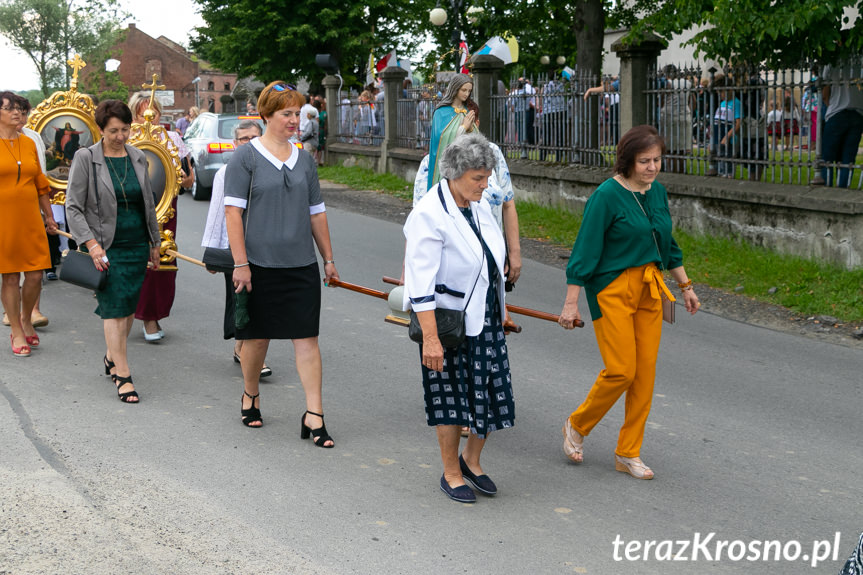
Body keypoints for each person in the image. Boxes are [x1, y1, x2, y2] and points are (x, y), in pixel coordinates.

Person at [558, 125, 700, 480]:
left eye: (657, 160)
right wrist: (571, 303)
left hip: (650, 288)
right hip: (612, 288)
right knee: (622, 369)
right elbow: (585, 249)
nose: (652, 167)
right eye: (644, 161)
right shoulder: (607, 196)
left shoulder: (657, 193)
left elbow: (666, 243)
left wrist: (685, 287)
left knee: (644, 375)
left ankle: (628, 452)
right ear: (627, 161)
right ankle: (577, 425)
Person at [224, 81, 339, 443]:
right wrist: (240, 264)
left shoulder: (304, 159)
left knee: (307, 339)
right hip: (258, 265)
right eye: (286, 113)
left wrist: (328, 259)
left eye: (296, 113)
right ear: (266, 115)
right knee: (257, 340)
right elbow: (232, 213)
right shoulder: (245, 157)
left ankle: (315, 414)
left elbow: (316, 214)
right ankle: (251, 392)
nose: (294, 119)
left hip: (300, 264)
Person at [403, 132, 514, 503]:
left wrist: (503, 310)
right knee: (450, 399)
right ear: (454, 173)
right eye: (478, 178)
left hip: (486, 319)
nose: (486, 185)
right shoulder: (429, 216)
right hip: (448, 326)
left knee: (490, 394)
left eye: (487, 176)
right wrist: (430, 339)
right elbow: (420, 283)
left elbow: (491, 266)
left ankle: (472, 460)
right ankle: (451, 471)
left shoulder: (478, 205)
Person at [65, 100, 161, 401]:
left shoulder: (136, 156)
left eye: (125, 129)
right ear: (100, 129)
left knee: (129, 307)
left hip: (136, 243)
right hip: (105, 246)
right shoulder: (86, 158)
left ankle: (111, 356)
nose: (121, 136)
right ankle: (123, 374)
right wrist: (91, 244)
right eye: (113, 131)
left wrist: (154, 243)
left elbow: (147, 203)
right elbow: (73, 207)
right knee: (114, 309)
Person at [201, 119, 273, 378]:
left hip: (266, 246)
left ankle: (242, 346)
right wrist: (213, 252)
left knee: (260, 299)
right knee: (241, 298)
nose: (250, 143)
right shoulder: (226, 172)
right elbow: (218, 213)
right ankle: (245, 350)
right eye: (244, 139)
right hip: (237, 247)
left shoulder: (270, 168)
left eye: (255, 137)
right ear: (235, 143)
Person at [128, 92, 194, 341]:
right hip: (131, 210)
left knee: (161, 261)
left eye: (153, 111)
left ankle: (152, 315)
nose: (149, 116)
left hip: (165, 209)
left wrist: (182, 173)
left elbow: (189, 180)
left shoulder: (173, 138)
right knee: (135, 261)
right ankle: (134, 314)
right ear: (134, 113)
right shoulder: (126, 138)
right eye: (144, 111)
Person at [0, 91, 58, 357]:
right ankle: (16, 329)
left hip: (31, 217)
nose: (17, 113)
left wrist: (49, 215)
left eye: (21, 110)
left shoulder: (29, 143)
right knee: (10, 276)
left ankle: (25, 318)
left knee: (36, 274)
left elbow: (40, 184)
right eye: (10, 109)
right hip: (4, 219)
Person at [820, 54, 863, 188]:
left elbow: (825, 94)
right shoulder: (860, 61)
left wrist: (830, 106)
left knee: (827, 157)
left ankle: (828, 188)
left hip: (837, 112)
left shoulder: (832, 62)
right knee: (848, 159)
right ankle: (843, 188)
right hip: (857, 113)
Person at [427, 74, 476, 191]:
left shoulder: (466, 111)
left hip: (464, 162)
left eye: (469, 91)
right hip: (448, 164)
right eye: (463, 90)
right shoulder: (441, 112)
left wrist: (470, 130)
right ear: (455, 89)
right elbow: (441, 139)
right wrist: (463, 127)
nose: (466, 94)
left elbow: (475, 139)